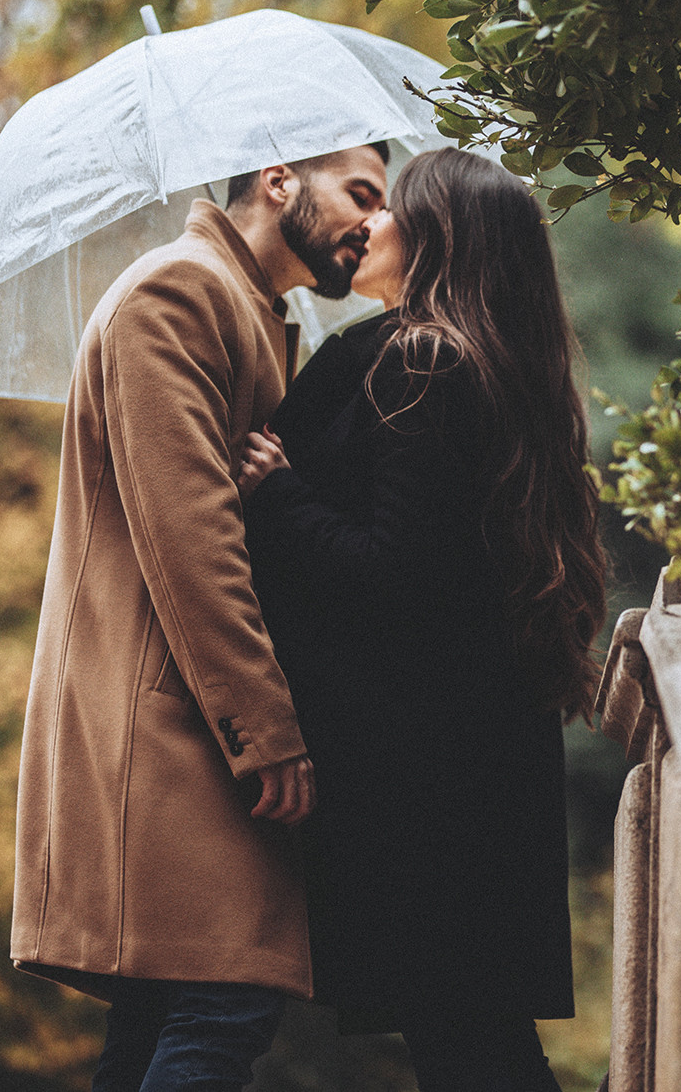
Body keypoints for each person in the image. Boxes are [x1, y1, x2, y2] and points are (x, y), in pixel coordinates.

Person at [11, 143, 390, 1092]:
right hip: (165, 723)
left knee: (165, 1008)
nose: (373, 224)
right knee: (224, 998)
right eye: (359, 192)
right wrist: (267, 728)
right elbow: (193, 536)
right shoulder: (177, 293)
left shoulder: (253, 308)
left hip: (187, 715)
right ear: (278, 181)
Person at [236, 146, 606, 1092]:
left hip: (435, 779)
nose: (368, 224)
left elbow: (390, 574)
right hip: (469, 762)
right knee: (474, 1038)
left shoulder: (425, 362)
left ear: (438, 237)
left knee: (468, 1043)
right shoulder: (477, 362)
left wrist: (277, 497)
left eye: (389, 208)